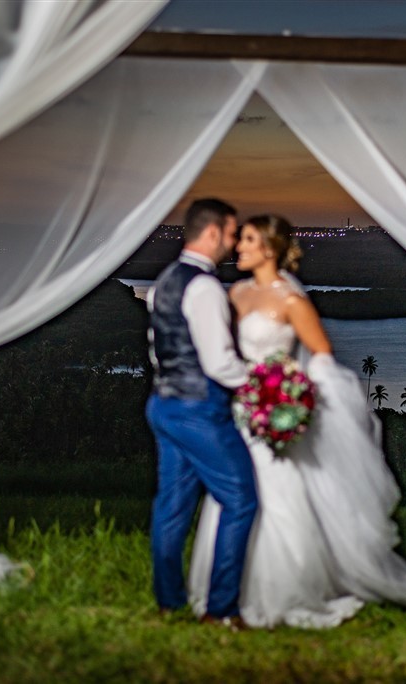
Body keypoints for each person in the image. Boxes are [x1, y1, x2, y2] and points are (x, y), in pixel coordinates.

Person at [188, 214, 406, 629]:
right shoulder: (237, 294)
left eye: (248, 240)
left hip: (275, 413)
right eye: (238, 240)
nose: (238, 246)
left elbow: (322, 359)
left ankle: (284, 590)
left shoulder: (292, 302)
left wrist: (290, 400)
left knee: (277, 496)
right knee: (233, 495)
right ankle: (228, 589)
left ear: (270, 249)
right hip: (241, 412)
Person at [145, 198, 257, 630]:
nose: (232, 243)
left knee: (172, 507)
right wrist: (261, 384)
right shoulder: (206, 287)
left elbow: (160, 351)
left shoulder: (164, 280)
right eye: (230, 234)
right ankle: (222, 610)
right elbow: (219, 363)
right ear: (212, 233)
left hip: (163, 403)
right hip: (198, 408)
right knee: (241, 499)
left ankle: (169, 604)